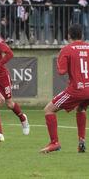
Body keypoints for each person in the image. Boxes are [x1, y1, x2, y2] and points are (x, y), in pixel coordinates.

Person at [40, 24, 88, 153]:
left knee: (49, 110)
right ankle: (81, 141)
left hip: (77, 89)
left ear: (68, 35)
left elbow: (62, 71)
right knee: (81, 108)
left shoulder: (67, 49)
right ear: (82, 35)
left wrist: (59, 60)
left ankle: (54, 143)